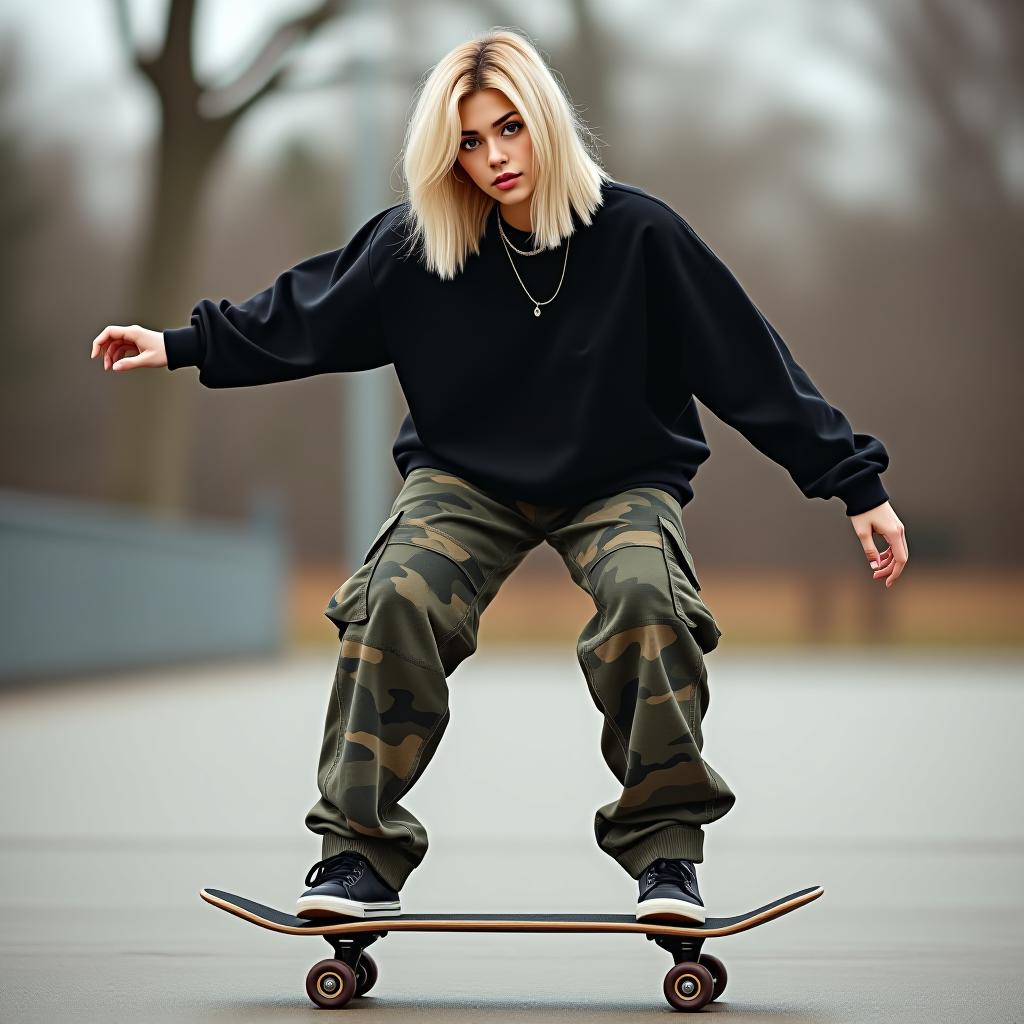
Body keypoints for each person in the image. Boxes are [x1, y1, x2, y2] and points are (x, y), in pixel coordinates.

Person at [90, 28, 908, 925]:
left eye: (509, 129)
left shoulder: (640, 236)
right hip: (465, 479)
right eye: (470, 143)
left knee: (648, 598)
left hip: (620, 477)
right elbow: (308, 312)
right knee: (396, 593)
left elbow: (752, 367)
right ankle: (356, 858)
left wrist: (856, 483)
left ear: (545, 123)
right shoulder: (420, 247)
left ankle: (667, 856)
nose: (494, 159)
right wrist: (178, 345)